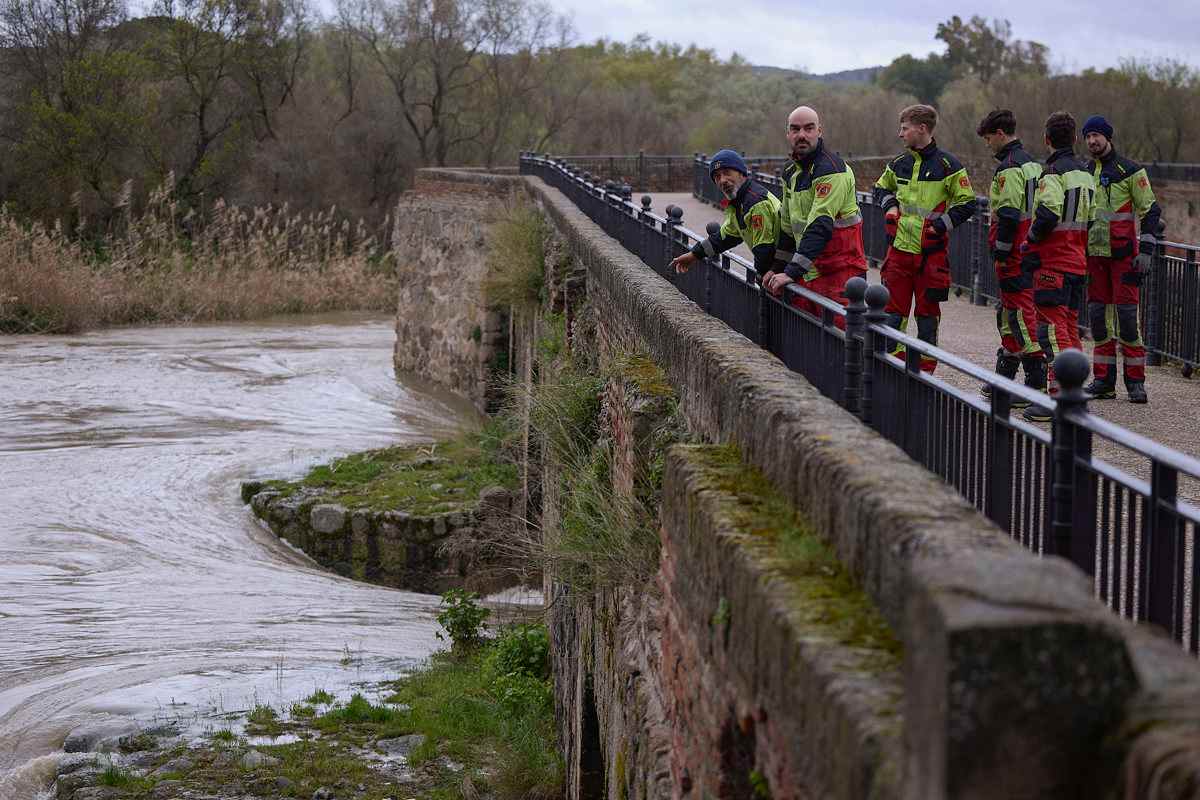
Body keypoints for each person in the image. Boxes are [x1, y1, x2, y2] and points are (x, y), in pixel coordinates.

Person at [872, 104, 977, 372]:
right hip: (898, 254)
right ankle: (892, 369)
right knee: (892, 316)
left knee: (928, 319)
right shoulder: (898, 164)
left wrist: (940, 226)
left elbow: (967, 203)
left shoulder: (948, 165)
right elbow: (880, 188)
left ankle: (925, 375)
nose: (900, 134)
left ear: (922, 129)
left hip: (931, 256)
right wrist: (891, 206)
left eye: (904, 128)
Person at [1081, 115, 1165, 404]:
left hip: (1124, 259)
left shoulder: (1131, 171)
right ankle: (1104, 381)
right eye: (1088, 136)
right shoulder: (1085, 170)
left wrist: (1146, 252)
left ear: (1108, 137)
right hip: (1094, 258)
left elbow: (1151, 212)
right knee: (1098, 321)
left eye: (1097, 135)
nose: (1092, 141)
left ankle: (1136, 383)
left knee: (1128, 321)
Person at [762, 105, 867, 327]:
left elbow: (821, 224)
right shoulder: (791, 172)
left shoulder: (831, 169)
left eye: (809, 128)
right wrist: (777, 268)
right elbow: (789, 228)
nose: (802, 135)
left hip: (839, 272)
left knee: (839, 342)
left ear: (820, 131)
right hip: (809, 268)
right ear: (788, 134)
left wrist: (791, 271)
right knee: (807, 341)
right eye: (795, 129)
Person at [1019, 111, 1094, 422]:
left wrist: (1029, 243)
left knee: (1049, 328)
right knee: (1069, 325)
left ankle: (1057, 397)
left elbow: (1048, 213)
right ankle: (1076, 393)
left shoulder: (1052, 174)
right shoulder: (1086, 174)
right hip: (1078, 261)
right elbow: (1091, 218)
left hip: (1053, 262)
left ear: (1046, 139)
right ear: (1075, 139)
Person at [977, 109, 1045, 404]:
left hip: (1013, 252)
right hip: (1029, 248)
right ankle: (1004, 380)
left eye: (988, 138)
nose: (987, 144)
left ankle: (1034, 383)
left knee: (1018, 314)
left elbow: (1007, 213)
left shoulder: (1009, 168)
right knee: (1009, 313)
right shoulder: (1034, 165)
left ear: (1000, 134)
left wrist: (1001, 250)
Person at [669, 149, 779, 280]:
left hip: (787, 276)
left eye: (727, 173)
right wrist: (694, 255)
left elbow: (764, 249)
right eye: (717, 177)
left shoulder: (755, 202)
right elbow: (724, 238)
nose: (722, 180)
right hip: (777, 275)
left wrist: (761, 278)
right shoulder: (739, 202)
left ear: (741, 173)